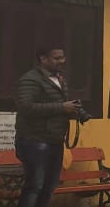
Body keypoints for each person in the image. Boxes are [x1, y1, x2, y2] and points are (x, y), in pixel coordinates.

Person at [14, 47, 79, 207]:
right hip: (34, 141)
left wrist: (76, 111)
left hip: (55, 141)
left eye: (63, 57)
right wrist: (61, 108)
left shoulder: (60, 79)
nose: (62, 61)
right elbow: (25, 107)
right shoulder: (31, 79)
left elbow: (58, 106)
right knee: (35, 186)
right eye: (56, 58)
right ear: (43, 59)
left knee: (50, 186)